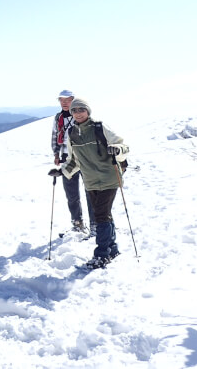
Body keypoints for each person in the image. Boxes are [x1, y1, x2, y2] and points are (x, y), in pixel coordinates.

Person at [60, 98, 130, 269]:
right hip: (90, 181)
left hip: (109, 177)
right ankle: (112, 249)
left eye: (81, 110)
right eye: (74, 110)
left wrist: (117, 149)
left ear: (88, 111)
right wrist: (62, 172)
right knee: (105, 215)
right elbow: (74, 160)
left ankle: (102, 255)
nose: (78, 113)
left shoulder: (99, 127)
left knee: (100, 216)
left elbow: (124, 147)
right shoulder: (72, 133)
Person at [49, 89, 96, 235]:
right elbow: (55, 135)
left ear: (73, 99)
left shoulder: (81, 115)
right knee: (71, 193)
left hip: (84, 157)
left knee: (91, 190)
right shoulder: (59, 118)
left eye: (67, 100)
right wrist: (56, 153)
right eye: (61, 100)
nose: (64, 103)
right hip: (65, 157)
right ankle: (77, 222)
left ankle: (95, 223)